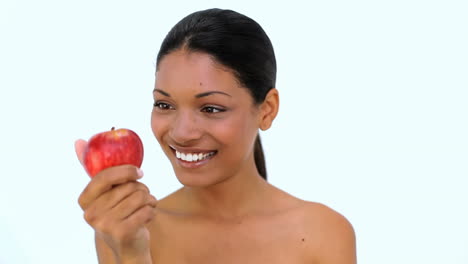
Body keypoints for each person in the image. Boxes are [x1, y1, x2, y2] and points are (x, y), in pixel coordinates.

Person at [75, 8, 356, 264]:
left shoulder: (324, 233)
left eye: (211, 108)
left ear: (267, 110)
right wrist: (131, 253)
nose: (182, 133)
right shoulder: (126, 229)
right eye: (164, 104)